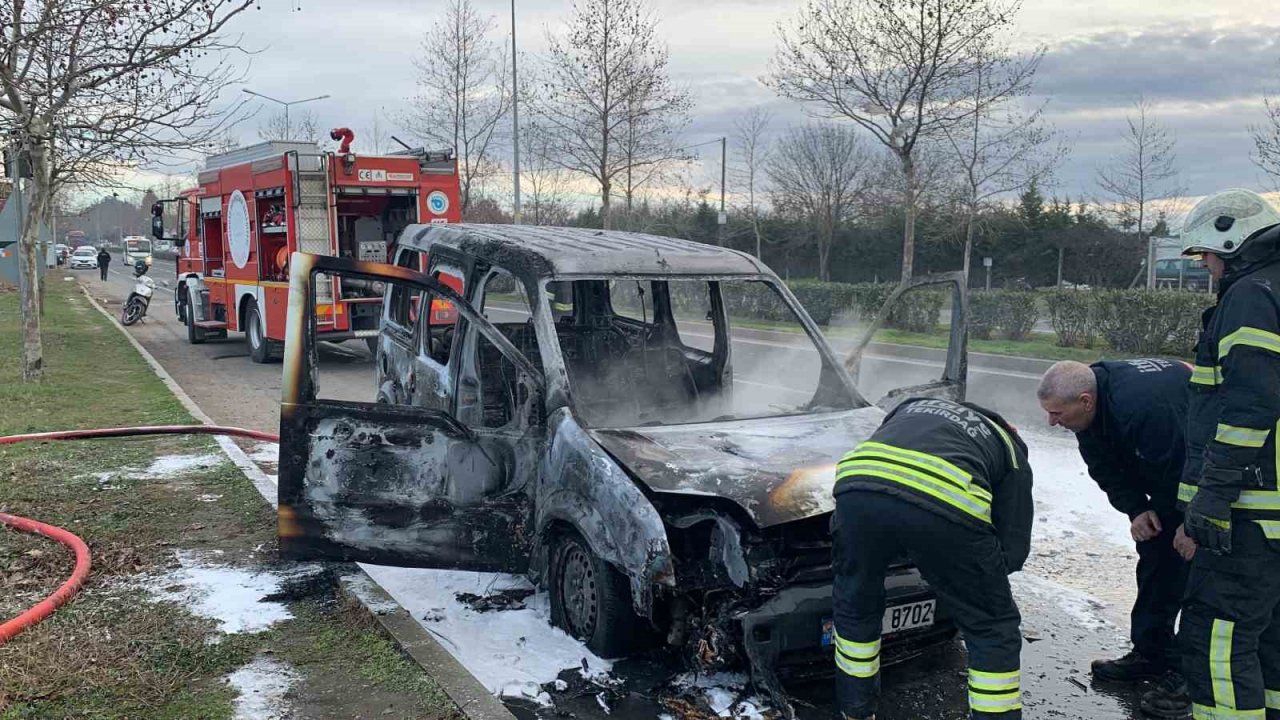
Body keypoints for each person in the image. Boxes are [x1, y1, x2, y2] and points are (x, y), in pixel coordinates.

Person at [1142, 188, 1280, 720]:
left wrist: (1211, 501)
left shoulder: (1250, 296)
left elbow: (1249, 408)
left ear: (1232, 242)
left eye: (1206, 256)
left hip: (1250, 513)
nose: (1205, 268)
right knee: (1269, 646)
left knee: (1215, 644)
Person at [832, 397, 1033, 720]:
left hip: (856, 485)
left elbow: (893, 481)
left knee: (855, 603)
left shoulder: (912, 405)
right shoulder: (1010, 447)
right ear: (1010, 429)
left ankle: (856, 711)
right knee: (992, 627)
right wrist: (971, 580)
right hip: (947, 503)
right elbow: (1013, 549)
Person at [1037, 359, 1193, 687]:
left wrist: (1192, 524)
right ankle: (1151, 654)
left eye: (1056, 414)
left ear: (1085, 400)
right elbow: (1104, 467)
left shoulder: (1143, 408)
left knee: (1197, 570)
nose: (1051, 423)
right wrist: (1136, 509)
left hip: (1206, 476)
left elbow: (1182, 467)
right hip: (1171, 472)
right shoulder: (1088, 409)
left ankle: (1191, 675)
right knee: (1155, 548)